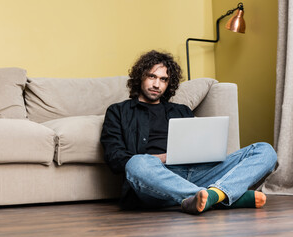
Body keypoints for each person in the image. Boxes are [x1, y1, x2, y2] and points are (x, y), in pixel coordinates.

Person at [100, 50, 277, 214]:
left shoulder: (181, 110)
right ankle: (220, 197)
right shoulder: (118, 111)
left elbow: (198, 144)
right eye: (152, 76)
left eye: (163, 79)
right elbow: (116, 159)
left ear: (169, 83)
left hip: (198, 173)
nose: (156, 84)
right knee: (136, 163)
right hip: (157, 178)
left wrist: (209, 151)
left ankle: (209, 196)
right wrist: (165, 157)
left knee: (265, 150)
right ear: (140, 77)